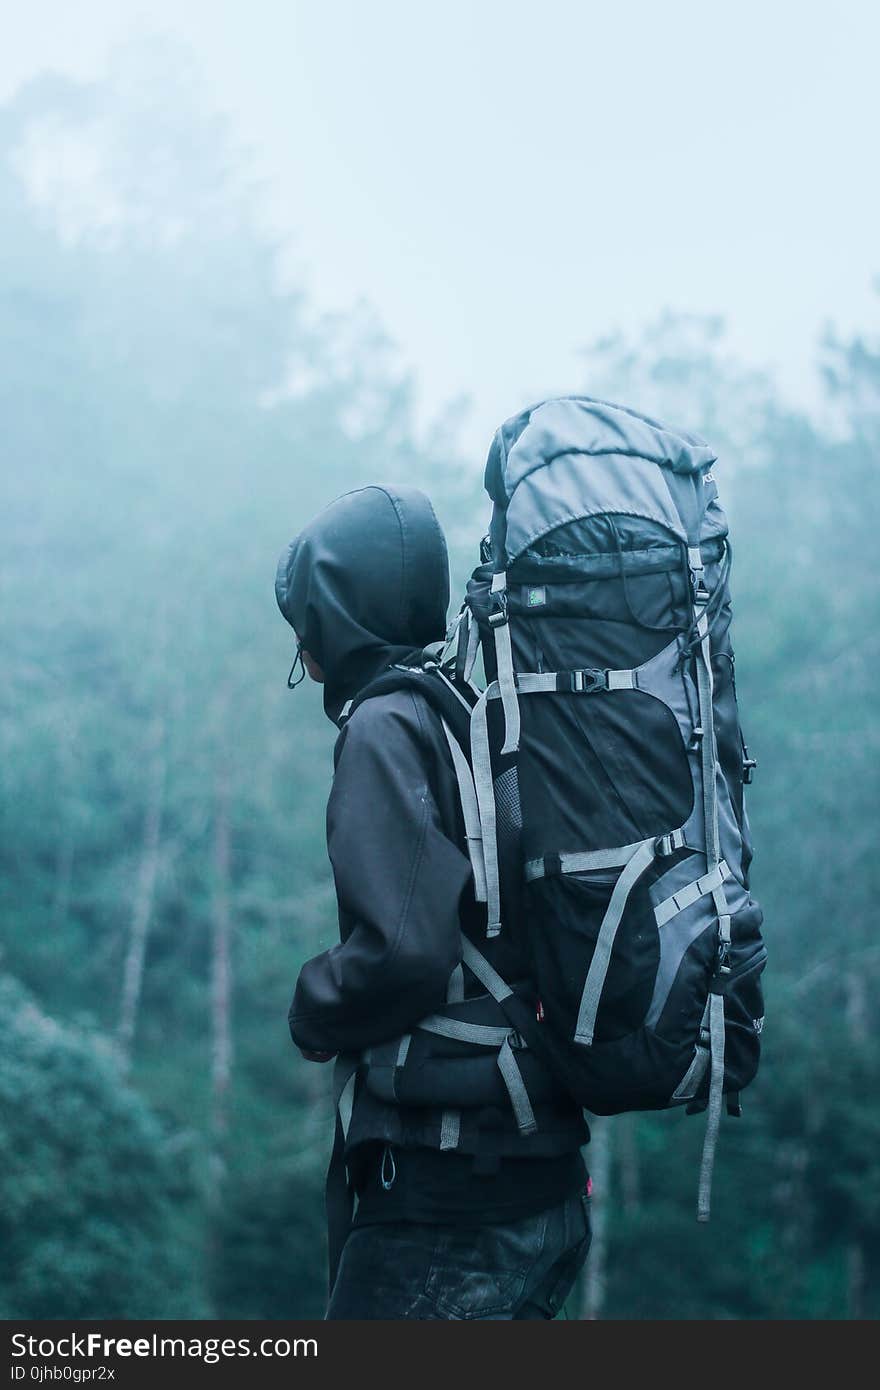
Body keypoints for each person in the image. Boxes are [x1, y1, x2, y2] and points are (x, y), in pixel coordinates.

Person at [275, 483, 591, 1320]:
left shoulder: (384, 727)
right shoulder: (472, 712)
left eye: (307, 627)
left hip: (448, 1200)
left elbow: (403, 953)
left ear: (338, 616)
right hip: (538, 1182)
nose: (306, 658)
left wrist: (312, 1010)